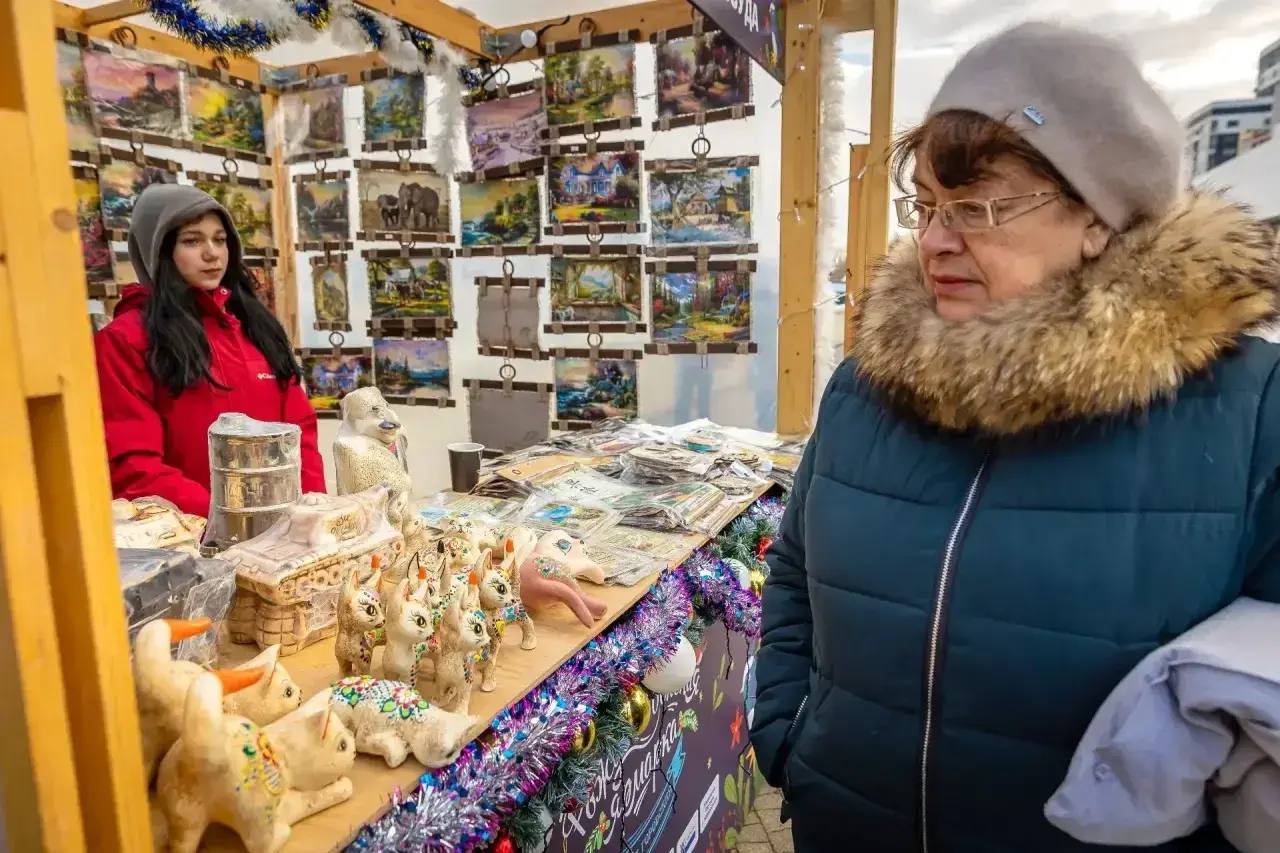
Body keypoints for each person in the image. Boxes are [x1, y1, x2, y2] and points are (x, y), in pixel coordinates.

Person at [750, 22, 1280, 853]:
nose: (932, 240)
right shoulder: (867, 384)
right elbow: (794, 573)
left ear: (1099, 216)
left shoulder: (1249, 408)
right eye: (925, 205)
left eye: (978, 208)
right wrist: (789, 732)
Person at [95, 184, 325, 516]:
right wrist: (227, 523)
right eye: (192, 241)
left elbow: (299, 430)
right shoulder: (125, 340)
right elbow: (134, 466)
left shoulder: (254, 325)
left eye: (220, 239)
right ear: (158, 250)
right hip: (194, 543)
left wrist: (313, 509)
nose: (212, 253)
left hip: (286, 538)